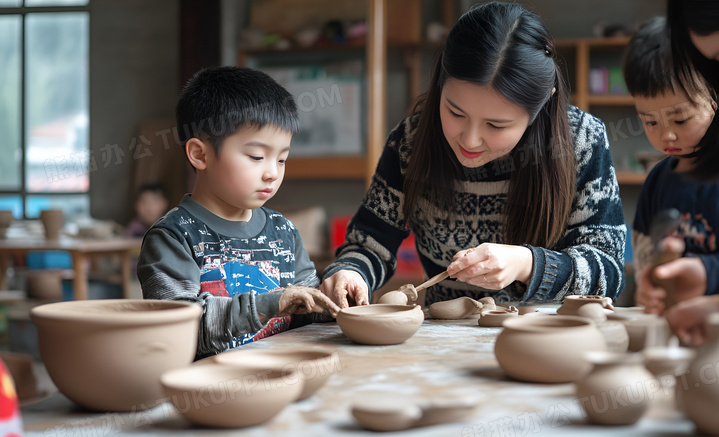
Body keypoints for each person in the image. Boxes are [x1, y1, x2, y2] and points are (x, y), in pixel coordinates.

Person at [320, 2, 627, 308]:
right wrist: (351, 271)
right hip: (446, 335)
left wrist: (526, 264)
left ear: (542, 104)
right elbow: (370, 243)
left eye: (496, 125)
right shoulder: (411, 143)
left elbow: (609, 272)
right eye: (455, 112)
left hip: (548, 336)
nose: (469, 139)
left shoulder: (580, 141)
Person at [137, 66, 339, 359]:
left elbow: (309, 311)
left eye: (282, 159)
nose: (272, 173)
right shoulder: (173, 238)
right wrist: (270, 303)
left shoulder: (283, 232)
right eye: (257, 156)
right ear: (200, 154)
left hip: (280, 380)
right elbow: (178, 330)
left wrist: (337, 302)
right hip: (208, 393)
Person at [623, 17, 719, 338]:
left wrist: (705, 273)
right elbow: (643, 253)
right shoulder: (659, 177)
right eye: (650, 122)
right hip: (683, 329)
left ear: (717, 99)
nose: (666, 134)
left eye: (681, 118)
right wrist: (648, 283)